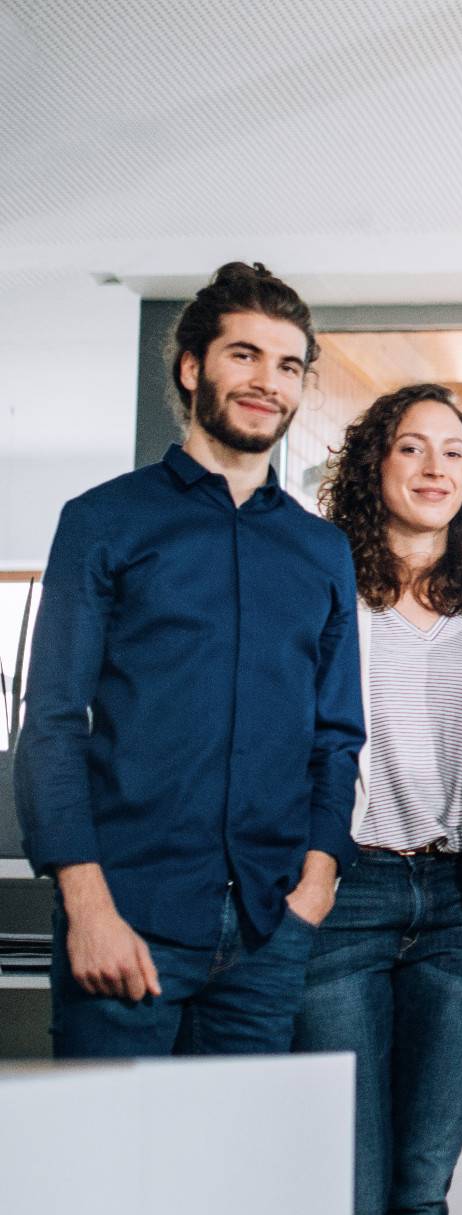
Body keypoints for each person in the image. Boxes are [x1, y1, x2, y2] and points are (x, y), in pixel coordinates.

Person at [15, 261, 362, 1058]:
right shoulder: (103, 521)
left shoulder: (321, 550)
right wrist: (88, 907)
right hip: (126, 921)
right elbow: (55, 725)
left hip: (268, 934)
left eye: (287, 365)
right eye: (243, 355)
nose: (266, 382)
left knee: (235, 1182)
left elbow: (337, 734)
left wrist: (316, 881)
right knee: (109, 1176)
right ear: (192, 366)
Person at [292, 384, 462, 1215]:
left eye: (453, 452)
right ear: (373, 464)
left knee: (420, 1192)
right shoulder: (321, 590)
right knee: (347, 1193)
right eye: (411, 448)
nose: (435, 467)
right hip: (345, 892)